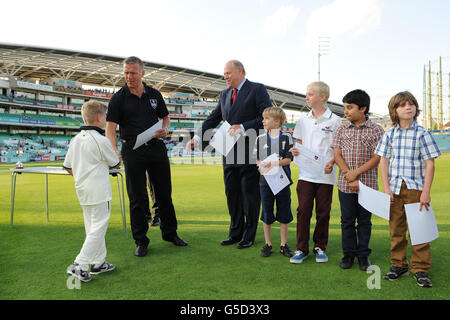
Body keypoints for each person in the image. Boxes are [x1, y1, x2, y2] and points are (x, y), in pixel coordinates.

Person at [106, 56, 187, 258]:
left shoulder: (154, 94)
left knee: (164, 194)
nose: (129, 76)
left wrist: (166, 129)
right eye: (125, 73)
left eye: (133, 73)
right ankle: (141, 241)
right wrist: (114, 150)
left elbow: (165, 118)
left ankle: (170, 234)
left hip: (156, 148)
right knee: (137, 197)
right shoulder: (118, 98)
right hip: (132, 150)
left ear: (142, 73)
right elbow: (110, 128)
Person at [186, 60, 271, 249]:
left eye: (228, 73)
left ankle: (248, 236)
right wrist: (197, 138)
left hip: (250, 149)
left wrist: (242, 126)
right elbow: (213, 118)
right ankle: (235, 233)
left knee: (249, 195)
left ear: (240, 71)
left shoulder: (257, 89)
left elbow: (266, 117)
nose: (225, 77)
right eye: (224, 74)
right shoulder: (224, 94)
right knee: (232, 194)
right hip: (228, 150)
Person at [375, 91, 441, 288]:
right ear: (395, 110)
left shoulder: (422, 133)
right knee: (396, 230)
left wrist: (426, 192)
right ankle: (399, 265)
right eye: (403, 105)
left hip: (415, 189)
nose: (408, 107)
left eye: (411, 104)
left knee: (419, 231)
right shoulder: (389, 134)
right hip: (394, 189)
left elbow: (430, 164)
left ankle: (420, 269)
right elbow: (383, 162)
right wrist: (386, 188)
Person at [64, 100, 120, 282]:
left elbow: (68, 167)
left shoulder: (75, 139)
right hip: (98, 190)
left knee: (93, 227)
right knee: (98, 228)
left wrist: (83, 176)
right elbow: (115, 163)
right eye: (104, 116)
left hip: (82, 189)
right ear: (98, 117)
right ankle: (79, 265)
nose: (105, 119)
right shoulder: (101, 139)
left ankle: (99, 262)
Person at [332, 89, 385, 271]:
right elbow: (337, 153)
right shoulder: (341, 128)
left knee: (364, 221)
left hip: (368, 185)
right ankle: (348, 255)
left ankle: (363, 256)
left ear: (363, 108)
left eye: (349, 107)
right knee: (347, 221)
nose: (345, 111)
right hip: (345, 184)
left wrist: (357, 174)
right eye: (345, 107)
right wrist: (349, 174)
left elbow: (377, 157)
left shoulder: (377, 130)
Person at [290, 81, 341, 264]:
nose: (307, 97)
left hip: (326, 175)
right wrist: (296, 150)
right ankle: (301, 249)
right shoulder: (303, 120)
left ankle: (320, 247)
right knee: (303, 211)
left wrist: (333, 162)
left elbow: (338, 148)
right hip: (305, 174)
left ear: (323, 97)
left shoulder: (335, 120)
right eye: (307, 94)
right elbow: (299, 144)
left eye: (310, 94)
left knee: (323, 213)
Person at [254, 107, 294, 258]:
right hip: (265, 182)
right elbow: (257, 159)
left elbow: (288, 159)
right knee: (267, 212)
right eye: (263, 118)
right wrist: (260, 166)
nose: (263, 121)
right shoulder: (260, 139)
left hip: (282, 182)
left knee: (284, 212)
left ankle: (283, 244)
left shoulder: (287, 138)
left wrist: (273, 164)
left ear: (277, 121)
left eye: (266, 118)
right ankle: (268, 243)